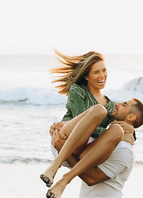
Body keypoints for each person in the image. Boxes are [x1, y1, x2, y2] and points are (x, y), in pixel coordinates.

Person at [40, 50, 126, 188]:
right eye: (96, 72)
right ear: (86, 76)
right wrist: (103, 131)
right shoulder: (77, 90)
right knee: (98, 110)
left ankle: (64, 181)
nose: (102, 75)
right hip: (64, 140)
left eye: (104, 70)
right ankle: (54, 166)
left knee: (117, 130)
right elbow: (82, 124)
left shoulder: (111, 105)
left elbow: (120, 129)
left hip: (85, 150)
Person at [46, 98, 143, 198]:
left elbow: (92, 178)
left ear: (131, 116)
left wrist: (65, 152)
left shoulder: (125, 150)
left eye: (124, 105)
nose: (117, 104)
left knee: (114, 128)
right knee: (99, 110)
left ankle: (61, 173)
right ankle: (56, 165)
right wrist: (60, 125)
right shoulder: (106, 126)